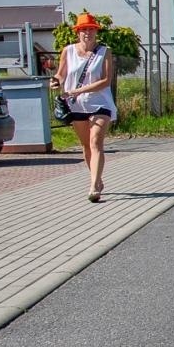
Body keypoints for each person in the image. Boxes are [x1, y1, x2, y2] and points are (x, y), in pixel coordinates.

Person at [50, 11, 116, 203]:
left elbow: (106, 80)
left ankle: (94, 186)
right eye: (83, 29)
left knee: (96, 142)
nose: (87, 33)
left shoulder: (104, 52)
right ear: (78, 32)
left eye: (91, 29)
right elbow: (61, 74)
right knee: (86, 145)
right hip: (76, 105)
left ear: (96, 31)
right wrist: (55, 81)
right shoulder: (68, 51)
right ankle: (97, 178)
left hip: (100, 103)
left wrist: (77, 91)